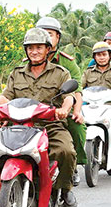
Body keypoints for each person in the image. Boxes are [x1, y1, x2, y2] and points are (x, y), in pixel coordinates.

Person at [0, 28, 79, 207]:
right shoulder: (17, 73)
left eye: (39, 47)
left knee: (66, 150)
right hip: (20, 126)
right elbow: (6, 96)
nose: (34, 52)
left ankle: (65, 188)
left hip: (50, 126)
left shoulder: (61, 73)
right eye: (30, 48)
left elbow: (70, 96)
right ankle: (1, 191)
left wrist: (64, 109)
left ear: (48, 49)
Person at [36, 16, 86, 184]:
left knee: (76, 128)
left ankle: (72, 168)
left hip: (59, 110)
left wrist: (76, 111)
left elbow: (76, 89)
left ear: (57, 37)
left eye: (50, 34)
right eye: (42, 33)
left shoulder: (67, 64)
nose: (46, 37)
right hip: (32, 113)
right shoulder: (26, 62)